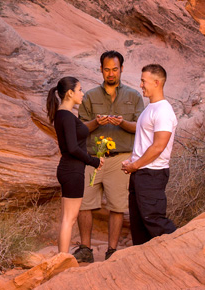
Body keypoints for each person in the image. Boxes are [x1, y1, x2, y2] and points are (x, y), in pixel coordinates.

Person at [74, 51, 144, 262]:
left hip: (120, 159)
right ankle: (85, 249)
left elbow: (140, 127)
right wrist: (96, 123)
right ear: (101, 70)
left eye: (115, 69)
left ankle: (111, 251)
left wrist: (122, 122)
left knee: (117, 205)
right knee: (84, 203)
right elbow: (80, 128)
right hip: (93, 158)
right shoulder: (90, 96)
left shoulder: (133, 96)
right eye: (107, 69)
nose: (111, 73)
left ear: (121, 69)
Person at [47, 76, 104, 254]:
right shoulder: (67, 116)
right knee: (69, 220)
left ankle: (61, 258)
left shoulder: (62, 115)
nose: (82, 93)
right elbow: (72, 147)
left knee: (66, 218)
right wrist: (93, 161)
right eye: (80, 90)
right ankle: (62, 260)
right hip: (72, 171)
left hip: (67, 169)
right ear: (70, 93)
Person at [121, 64, 177, 245]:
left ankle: (181, 248)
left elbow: (159, 146)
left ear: (157, 82)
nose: (141, 85)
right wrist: (132, 160)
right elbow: (145, 142)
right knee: (138, 222)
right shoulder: (150, 109)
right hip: (140, 172)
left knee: (153, 219)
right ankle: (143, 262)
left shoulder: (163, 110)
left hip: (152, 173)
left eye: (144, 81)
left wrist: (135, 165)